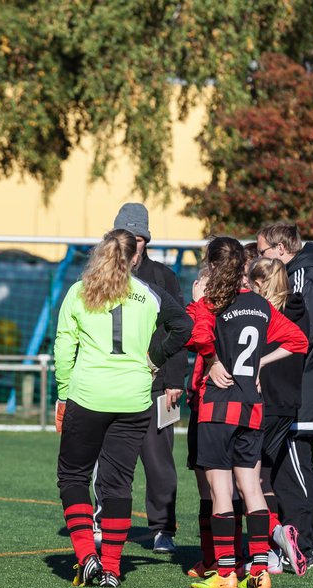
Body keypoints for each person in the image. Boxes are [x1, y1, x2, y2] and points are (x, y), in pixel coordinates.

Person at [54, 229, 192, 588]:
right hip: (134, 398)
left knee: (73, 477)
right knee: (119, 483)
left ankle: (87, 556)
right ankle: (112, 568)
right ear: (134, 258)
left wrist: (63, 393)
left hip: (87, 396)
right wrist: (155, 358)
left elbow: (63, 347)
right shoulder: (149, 293)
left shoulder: (80, 291)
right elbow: (184, 326)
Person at [185, 237, 307, 588]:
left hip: (218, 407)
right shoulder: (259, 305)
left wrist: (211, 358)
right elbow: (298, 341)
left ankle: (225, 574)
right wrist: (257, 365)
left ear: (211, 267)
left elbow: (195, 334)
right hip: (252, 408)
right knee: (252, 489)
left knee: (221, 492)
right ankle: (259, 571)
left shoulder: (211, 304)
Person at [99, 202, 188, 556]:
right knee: (109, 461)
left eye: (138, 239)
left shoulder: (164, 277)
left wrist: (174, 379)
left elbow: (179, 329)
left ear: (145, 240)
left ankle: (163, 528)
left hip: (155, 387)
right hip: (110, 386)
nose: (133, 247)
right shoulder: (97, 277)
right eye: (126, 239)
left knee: (159, 462)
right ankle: (103, 521)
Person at [256, 223, 313, 568]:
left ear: (281, 250)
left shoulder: (303, 277)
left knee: (294, 468)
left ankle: (303, 545)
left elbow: (303, 330)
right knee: (294, 468)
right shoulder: (304, 273)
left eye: (263, 253)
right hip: (296, 389)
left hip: (300, 391)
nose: (260, 260)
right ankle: (303, 540)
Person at [248, 257, 309, 575]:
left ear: (260, 283)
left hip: (262, 402)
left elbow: (293, 344)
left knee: (245, 476)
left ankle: (269, 542)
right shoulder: (298, 307)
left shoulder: (260, 311)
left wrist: (260, 363)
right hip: (288, 405)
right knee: (265, 476)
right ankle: (271, 547)